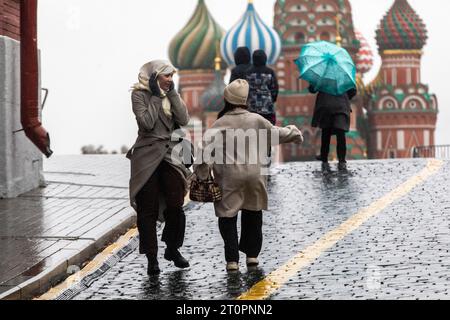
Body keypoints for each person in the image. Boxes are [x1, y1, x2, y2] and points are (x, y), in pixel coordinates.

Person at [194, 79, 304, 271]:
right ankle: (252, 255)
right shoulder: (257, 120)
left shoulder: (220, 123)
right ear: (245, 100)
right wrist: (295, 133)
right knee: (253, 213)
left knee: (227, 217)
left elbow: (204, 153)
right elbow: (277, 133)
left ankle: (232, 259)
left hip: (229, 177)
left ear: (227, 100)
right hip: (255, 175)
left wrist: (202, 174)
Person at [127, 60, 191, 276]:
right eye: (166, 76)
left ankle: (172, 248)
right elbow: (146, 123)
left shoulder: (171, 94)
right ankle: (152, 258)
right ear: (154, 78)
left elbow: (183, 119)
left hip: (170, 155)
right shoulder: (139, 94)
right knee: (148, 209)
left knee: (176, 204)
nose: (170, 80)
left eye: (172, 76)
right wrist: (155, 96)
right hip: (146, 155)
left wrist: (172, 95)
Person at [309, 85, 357, 171]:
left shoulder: (322, 74)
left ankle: (324, 158)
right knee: (340, 134)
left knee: (325, 132)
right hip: (341, 105)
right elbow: (353, 91)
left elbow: (312, 89)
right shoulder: (343, 74)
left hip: (325, 104)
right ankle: (342, 161)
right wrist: (344, 96)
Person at [246, 50, 279, 125]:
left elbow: (245, 90)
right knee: (268, 132)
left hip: (252, 108)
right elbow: (274, 90)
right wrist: (271, 100)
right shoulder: (270, 72)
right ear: (265, 58)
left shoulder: (248, 73)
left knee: (254, 132)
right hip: (267, 108)